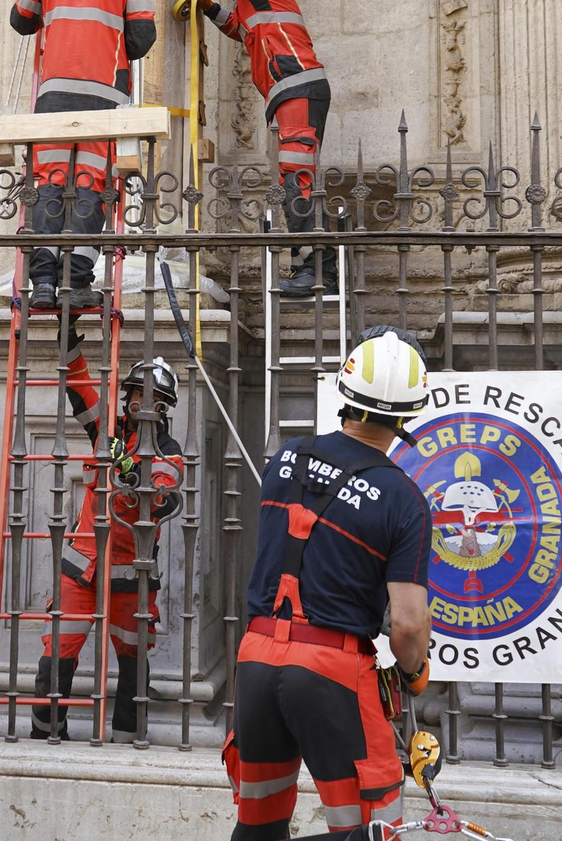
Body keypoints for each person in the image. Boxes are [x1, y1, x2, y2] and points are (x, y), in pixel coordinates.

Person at [224, 328, 434, 840]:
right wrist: (415, 671)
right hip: (333, 668)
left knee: (258, 822)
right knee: (371, 829)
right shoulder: (403, 498)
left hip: (255, 658)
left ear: (346, 394)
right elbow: (407, 624)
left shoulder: (285, 459)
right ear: (407, 415)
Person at [111, 0, 333, 297]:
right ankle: (308, 267)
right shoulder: (253, 3)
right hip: (291, 91)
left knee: (297, 178)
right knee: (292, 179)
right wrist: (208, 6)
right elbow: (238, 29)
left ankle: (317, 270)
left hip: (299, 87)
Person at [10, 0, 157, 310]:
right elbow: (143, 37)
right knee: (90, 184)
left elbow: (21, 21)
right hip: (105, 96)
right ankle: (76, 282)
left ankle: (41, 283)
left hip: (54, 93)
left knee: (50, 181)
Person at [32, 347, 184, 743]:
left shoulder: (170, 453)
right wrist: (68, 340)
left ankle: (126, 746)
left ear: (164, 407)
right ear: (129, 396)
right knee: (53, 667)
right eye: (137, 394)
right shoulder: (107, 431)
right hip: (79, 571)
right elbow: (81, 389)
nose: (143, 403)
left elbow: (165, 496)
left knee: (133, 673)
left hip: (131, 582)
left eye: (153, 398)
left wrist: (133, 475)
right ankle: (47, 740)